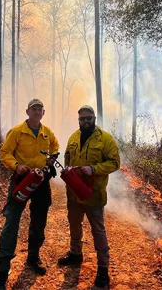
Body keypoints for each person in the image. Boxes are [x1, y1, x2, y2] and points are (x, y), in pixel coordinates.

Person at [0, 99, 59, 290]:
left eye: (40, 109)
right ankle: (2, 273)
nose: (37, 112)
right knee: (11, 222)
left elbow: (55, 147)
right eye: (34, 109)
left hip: (41, 181)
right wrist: (16, 166)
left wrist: (51, 162)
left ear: (43, 113)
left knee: (39, 220)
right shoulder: (17, 131)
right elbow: (4, 152)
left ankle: (33, 257)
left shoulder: (47, 133)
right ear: (27, 111)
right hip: (20, 182)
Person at [57, 105, 120, 288]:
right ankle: (76, 254)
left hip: (94, 194)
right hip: (75, 194)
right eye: (82, 119)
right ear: (78, 120)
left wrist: (94, 169)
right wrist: (69, 170)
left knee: (98, 231)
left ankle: (103, 269)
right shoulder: (74, 137)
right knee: (74, 224)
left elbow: (115, 162)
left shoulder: (105, 139)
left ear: (94, 119)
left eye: (89, 118)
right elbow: (68, 156)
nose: (85, 121)